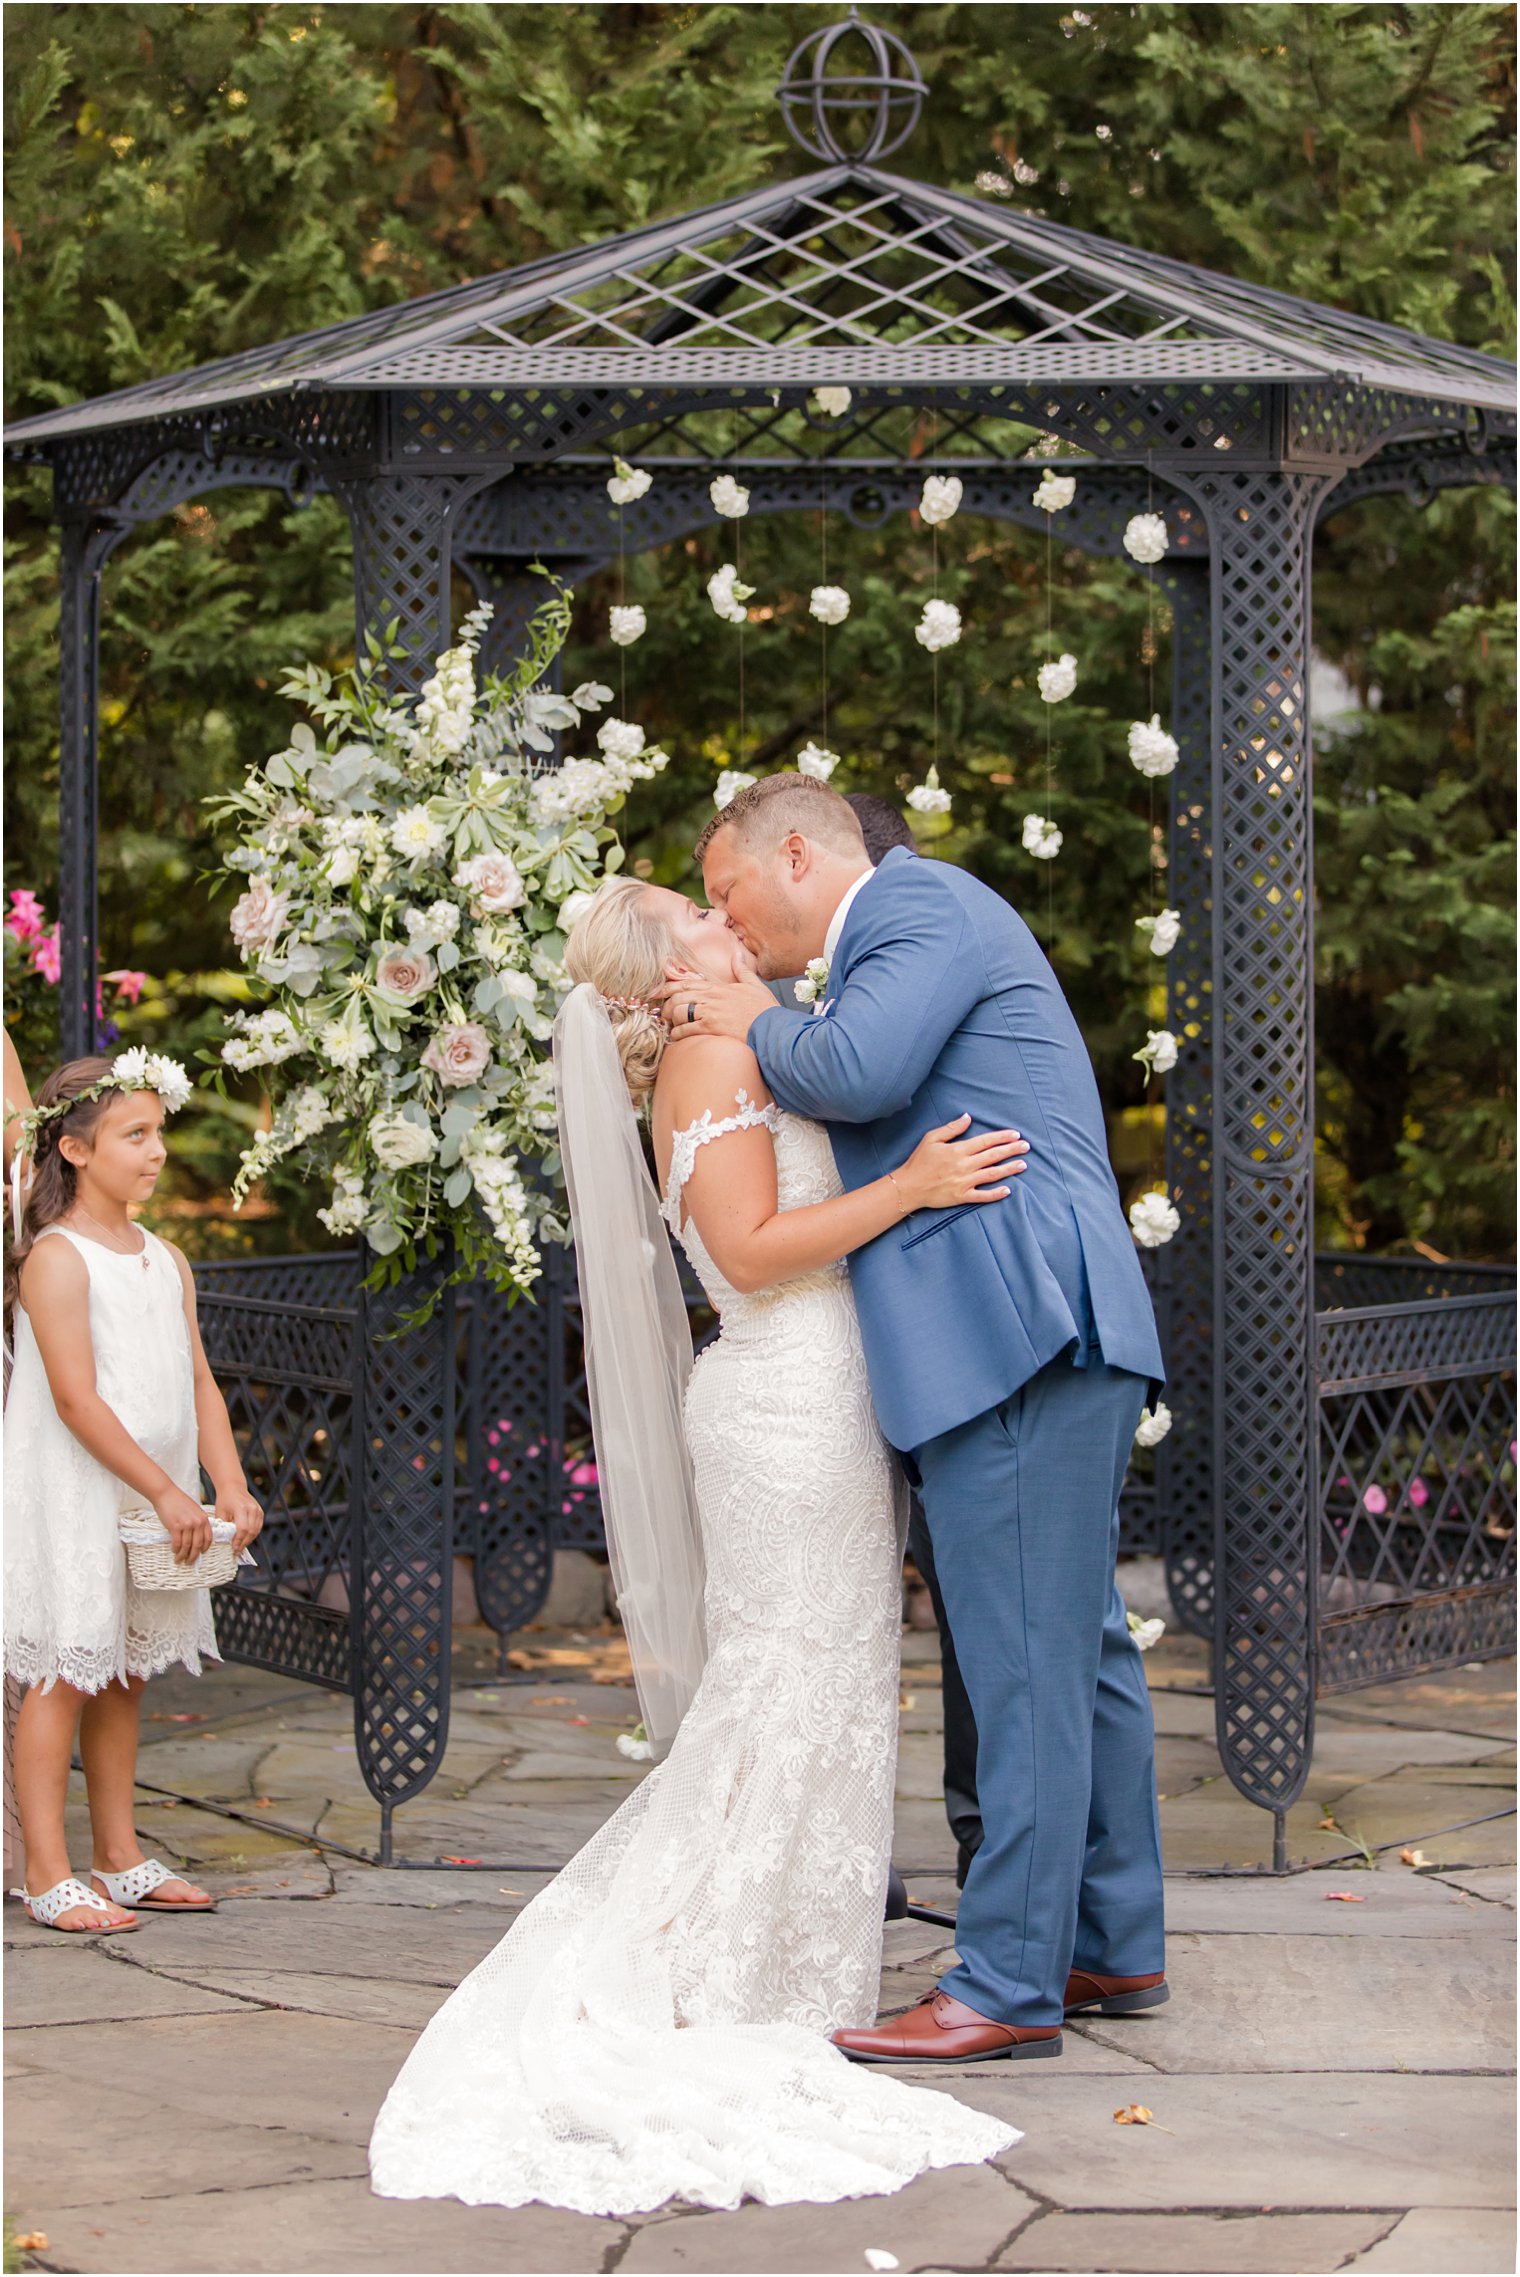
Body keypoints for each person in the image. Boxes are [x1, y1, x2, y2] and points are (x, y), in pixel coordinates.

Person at [369, 874, 1029, 2214]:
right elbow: (755, 1243)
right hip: (788, 1395)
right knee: (788, 1684)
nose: (732, 920)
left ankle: (779, 1962)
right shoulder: (714, 1051)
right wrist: (913, 1184)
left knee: (812, 1682)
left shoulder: (730, 1036)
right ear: (665, 975)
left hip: (803, 1397)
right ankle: (727, 1970)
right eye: (704, 916)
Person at [662, 772, 1168, 2065]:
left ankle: (1004, 1984)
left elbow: (857, 1067)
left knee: (1025, 1665)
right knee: (1077, 1648)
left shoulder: (920, 907)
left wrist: (749, 1014)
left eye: (727, 893)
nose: (729, 923)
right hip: (1021, 1336)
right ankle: (1108, 1939)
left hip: (1019, 1335)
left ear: (794, 854)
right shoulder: (902, 941)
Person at [4, 1054, 263, 1933]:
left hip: (161, 1498)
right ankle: (47, 1870)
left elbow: (197, 1378)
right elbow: (77, 1399)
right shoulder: (57, 1259)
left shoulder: (164, 1256)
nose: (157, 1153)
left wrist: (223, 1480)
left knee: (123, 1673)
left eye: (160, 1132)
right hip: (83, 1490)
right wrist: (163, 1490)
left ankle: (119, 1854)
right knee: (65, 1668)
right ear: (74, 1148)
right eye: (135, 1135)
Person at [842, 795, 983, 1888]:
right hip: (841, 1366)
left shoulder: (921, 926)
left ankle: (988, 1858)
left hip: (950, 1347)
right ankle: (847, 1865)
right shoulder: (803, 1020)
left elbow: (870, 1082)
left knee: (990, 1633)